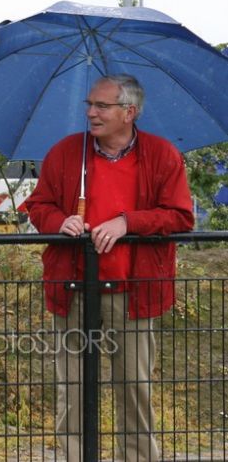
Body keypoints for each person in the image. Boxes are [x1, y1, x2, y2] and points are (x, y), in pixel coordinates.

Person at [25, 75, 194, 461]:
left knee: (134, 387)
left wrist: (127, 222)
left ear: (129, 112)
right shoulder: (66, 153)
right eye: (89, 104)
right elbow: (38, 205)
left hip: (134, 293)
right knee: (73, 387)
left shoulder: (162, 155)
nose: (91, 112)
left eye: (102, 106)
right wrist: (60, 222)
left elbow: (180, 216)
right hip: (74, 290)